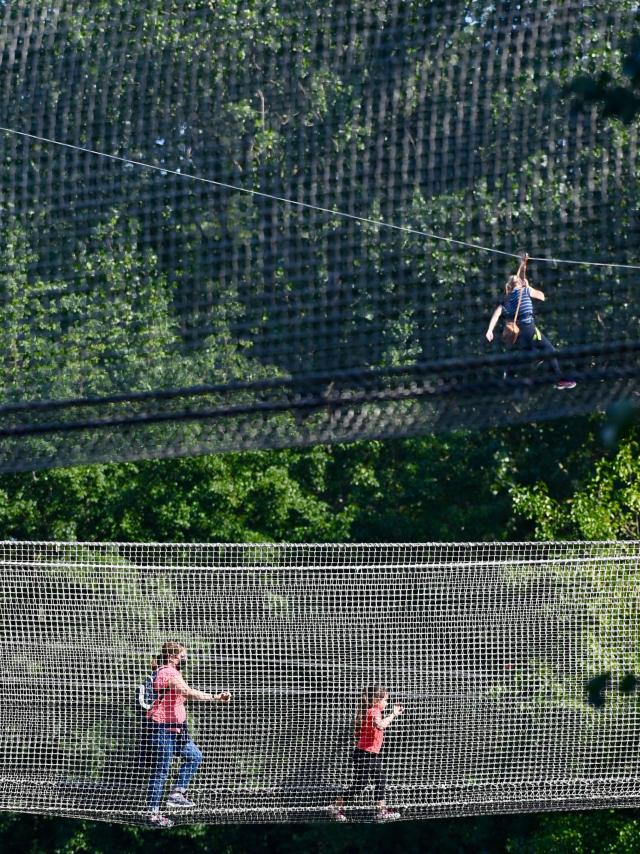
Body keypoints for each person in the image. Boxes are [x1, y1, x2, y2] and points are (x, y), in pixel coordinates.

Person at [146, 641, 231, 828]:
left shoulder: (175, 673)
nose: (185, 659)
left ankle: (177, 793)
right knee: (161, 771)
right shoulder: (167, 673)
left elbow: (181, 696)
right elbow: (187, 692)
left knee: (195, 756)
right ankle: (152, 813)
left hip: (177, 730)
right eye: (182, 656)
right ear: (171, 657)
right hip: (162, 730)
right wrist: (215, 697)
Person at [485, 255, 576, 390]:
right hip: (529, 329)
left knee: (529, 355)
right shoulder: (526, 290)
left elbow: (497, 313)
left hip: (519, 335)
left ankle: (509, 373)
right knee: (549, 350)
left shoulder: (506, 299)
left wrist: (489, 330)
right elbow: (542, 297)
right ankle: (559, 379)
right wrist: (529, 286)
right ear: (520, 283)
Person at [331, 685, 405, 823]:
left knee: (380, 780)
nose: (387, 703)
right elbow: (380, 725)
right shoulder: (374, 711)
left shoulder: (374, 710)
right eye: (385, 700)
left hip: (371, 755)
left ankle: (381, 811)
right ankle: (336, 807)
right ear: (377, 700)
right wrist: (394, 714)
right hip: (364, 755)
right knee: (360, 784)